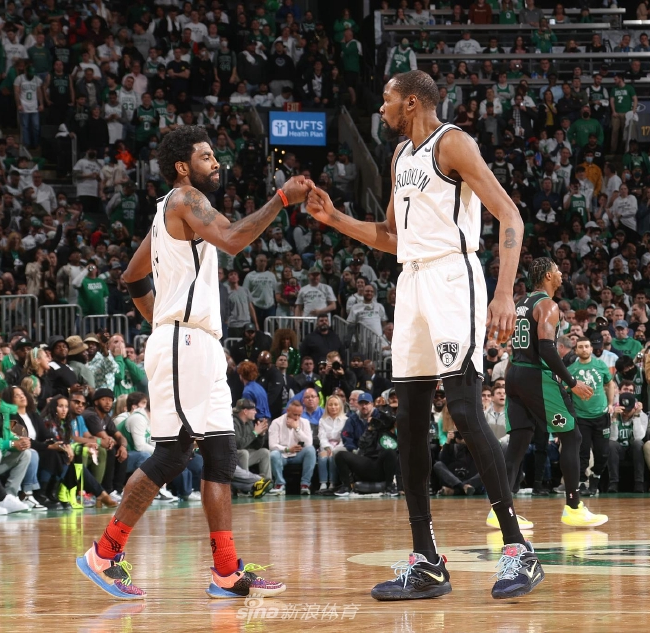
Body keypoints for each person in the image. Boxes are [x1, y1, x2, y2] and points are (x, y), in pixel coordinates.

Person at [306, 69, 540, 600]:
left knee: (464, 409)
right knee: (409, 419)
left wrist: (505, 292)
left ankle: (518, 549)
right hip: (411, 281)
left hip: (453, 277)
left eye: (387, 99)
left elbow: (510, 215)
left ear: (411, 102)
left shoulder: (453, 144)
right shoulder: (398, 156)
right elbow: (392, 237)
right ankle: (427, 561)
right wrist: (335, 218)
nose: (381, 107)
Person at [77, 126, 309, 599]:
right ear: (183, 167)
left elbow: (132, 275)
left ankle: (225, 571)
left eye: (214, 155)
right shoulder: (185, 198)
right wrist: (281, 198)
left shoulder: (169, 212)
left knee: (221, 457)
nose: (216, 162)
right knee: (174, 453)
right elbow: (233, 239)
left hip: (197, 343)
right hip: (183, 341)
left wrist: (163, 321)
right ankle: (104, 553)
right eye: (206, 156)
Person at [502, 259, 606, 527]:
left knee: (518, 442)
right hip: (535, 375)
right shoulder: (547, 305)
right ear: (548, 276)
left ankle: (500, 511)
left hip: (514, 373)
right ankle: (573, 506)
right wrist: (572, 382)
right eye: (557, 270)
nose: (561, 273)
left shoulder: (521, 303)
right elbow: (547, 348)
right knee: (572, 436)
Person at [568, 337, 615, 498]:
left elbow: (610, 384)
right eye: (580, 347)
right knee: (582, 452)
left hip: (601, 415)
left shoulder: (601, 365)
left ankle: (596, 476)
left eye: (587, 346)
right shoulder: (571, 370)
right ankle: (582, 481)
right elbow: (565, 391)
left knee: (603, 452)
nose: (584, 349)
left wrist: (610, 404)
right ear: (576, 350)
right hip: (581, 416)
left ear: (591, 349)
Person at [268, 400, 317, 495]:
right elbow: (272, 445)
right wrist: (287, 449)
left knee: (310, 450)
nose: (297, 417)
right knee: (274, 454)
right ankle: (279, 484)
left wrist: (297, 428)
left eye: (299, 415)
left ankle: (305, 485)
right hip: (282, 455)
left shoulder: (305, 422)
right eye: (295, 414)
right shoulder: (276, 422)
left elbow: (309, 443)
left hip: (297, 455)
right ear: (288, 411)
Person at [607, 392, 647, 492]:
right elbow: (613, 438)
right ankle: (613, 483)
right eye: (624, 410)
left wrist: (636, 416)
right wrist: (614, 419)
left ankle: (639, 483)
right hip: (619, 450)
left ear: (635, 407)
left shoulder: (642, 416)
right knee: (611, 444)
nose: (625, 413)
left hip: (633, 450)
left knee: (638, 444)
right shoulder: (613, 415)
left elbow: (639, 437)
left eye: (629, 410)